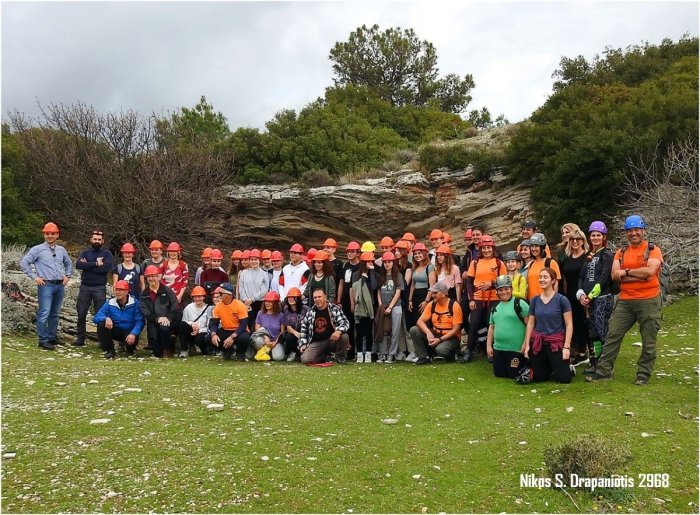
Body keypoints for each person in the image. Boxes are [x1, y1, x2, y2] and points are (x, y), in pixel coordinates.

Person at [586, 215, 663, 385]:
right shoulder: (621, 253)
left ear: (643, 231)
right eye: (630, 231)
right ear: (626, 233)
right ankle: (604, 371)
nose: (633, 233)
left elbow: (650, 272)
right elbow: (615, 275)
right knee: (613, 334)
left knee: (648, 339)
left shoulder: (653, 250)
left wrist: (626, 272)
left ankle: (643, 374)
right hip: (625, 300)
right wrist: (639, 274)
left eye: (637, 230)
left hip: (649, 300)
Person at [20, 222, 73, 350]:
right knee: (44, 313)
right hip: (46, 285)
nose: (50, 236)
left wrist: (68, 275)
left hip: (59, 285)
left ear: (57, 234)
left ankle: (52, 337)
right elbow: (24, 263)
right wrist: (35, 277)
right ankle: (43, 340)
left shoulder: (61, 250)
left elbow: (68, 263)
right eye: (47, 233)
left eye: (52, 233)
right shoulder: (37, 249)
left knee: (55, 313)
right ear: (44, 234)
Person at [519, 268, 574, 384]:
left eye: (545, 277)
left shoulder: (562, 300)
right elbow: (530, 323)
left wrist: (566, 347)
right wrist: (527, 345)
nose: (541, 280)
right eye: (540, 277)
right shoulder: (535, 300)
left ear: (553, 281)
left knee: (564, 379)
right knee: (539, 378)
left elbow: (569, 325)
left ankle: (567, 366)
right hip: (538, 342)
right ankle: (550, 366)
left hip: (555, 342)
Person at [576, 221, 615, 374]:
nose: (596, 238)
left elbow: (604, 278)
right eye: (593, 235)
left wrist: (590, 296)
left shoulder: (607, 254)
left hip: (602, 298)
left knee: (602, 331)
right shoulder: (589, 255)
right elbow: (581, 276)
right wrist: (580, 294)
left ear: (604, 237)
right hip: (588, 300)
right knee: (593, 333)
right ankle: (595, 362)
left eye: (599, 235)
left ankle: (606, 366)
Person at [463, 235, 506, 363]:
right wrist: (471, 300)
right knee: (474, 323)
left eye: (489, 248)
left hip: (494, 298)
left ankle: (492, 352)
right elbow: (469, 282)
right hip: (478, 297)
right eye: (484, 248)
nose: (486, 250)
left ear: (493, 248)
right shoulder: (475, 263)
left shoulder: (499, 263)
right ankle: (469, 351)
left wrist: (491, 283)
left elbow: (504, 281)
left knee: (491, 324)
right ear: (481, 249)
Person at [74, 229, 114, 346]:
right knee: (81, 313)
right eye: (95, 239)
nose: (97, 241)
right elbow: (78, 265)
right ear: (91, 240)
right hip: (85, 287)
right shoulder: (85, 253)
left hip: (99, 288)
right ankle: (80, 339)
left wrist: (87, 265)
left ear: (103, 241)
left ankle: (102, 340)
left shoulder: (107, 254)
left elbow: (105, 268)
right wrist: (96, 264)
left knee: (100, 315)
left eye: (99, 239)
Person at [487, 275, 530, 378]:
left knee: (513, 374)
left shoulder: (520, 304)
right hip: (499, 348)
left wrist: (526, 343)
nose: (504, 292)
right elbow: (491, 327)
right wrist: (488, 346)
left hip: (516, 349)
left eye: (506, 289)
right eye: (500, 290)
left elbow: (530, 325)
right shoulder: (495, 306)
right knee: (499, 374)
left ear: (511, 289)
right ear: (497, 292)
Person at [410, 281, 463, 364]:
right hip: (436, 334)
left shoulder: (454, 305)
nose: (432, 295)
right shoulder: (431, 304)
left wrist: (440, 339)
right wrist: (428, 333)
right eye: (432, 292)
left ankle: (453, 354)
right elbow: (420, 321)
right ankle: (424, 357)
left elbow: (456, 329)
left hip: (451, 337)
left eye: (435, 293)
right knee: (414, 330)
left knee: (441, 350)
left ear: (443, 294)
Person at [559, 226, 590, 365]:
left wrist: (587, 295)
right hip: (569, 295)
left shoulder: (587, 257)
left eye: (578, 239)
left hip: (583, 295)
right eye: (572, 239)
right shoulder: (567, 257)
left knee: (584, 324)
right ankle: (577, 352)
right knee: (573, 324)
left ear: (583, 241)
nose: (575, 242)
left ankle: (585, 353)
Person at [93, 280, 144, 359]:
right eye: (116, 290)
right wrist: (106, 318)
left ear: (127, 291)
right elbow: (96, 317)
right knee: (101, 324)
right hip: (115, 330)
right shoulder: (110, 303)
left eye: (121, 290)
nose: (118, 292)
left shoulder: (135, 303)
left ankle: (130, 349)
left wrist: (133, 333)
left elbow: (140, 321)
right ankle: (109, 350)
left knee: (130, 349)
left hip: (129, 332)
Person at [298, 288, 350, 365]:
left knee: (344, 336)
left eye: (319, 297)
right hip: (316, 342)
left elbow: (345, 322)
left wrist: (338, 331)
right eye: (315, 297)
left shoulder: (334, 308)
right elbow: (304, 329)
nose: (317, 299)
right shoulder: (310, 311)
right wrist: (303, 344)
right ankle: (326, 357)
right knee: (305, 360)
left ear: (325, 297)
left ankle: (340, 358)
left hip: (331, 340)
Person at [140, 264, 180, 358]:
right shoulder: (144, 294)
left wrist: (168, 318)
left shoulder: (167, 291)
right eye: (149, 277)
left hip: (168, 321)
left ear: (158, 276)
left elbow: (174, 306)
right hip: (153, 322)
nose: (151, 279)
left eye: (153, 276)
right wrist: (157, 319)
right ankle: (160, 347)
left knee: (164, 328)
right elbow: (145, 311)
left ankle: (167, 348)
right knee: (157, 352)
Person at [374, 251, 405, 363]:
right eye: (385, 262)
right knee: (383, 330)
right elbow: (378, 291)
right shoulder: (381, 276)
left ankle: (392, 354)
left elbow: (398, 293)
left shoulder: (398, 275)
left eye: (389, 262)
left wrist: (390, 307)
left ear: (393, 263)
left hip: (395, 306)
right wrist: (380, 304)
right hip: (383, 306)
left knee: (395, 331)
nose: (387, 264)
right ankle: (383, 353)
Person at [210, 282, 252, 361]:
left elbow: (243, 325)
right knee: (208, 338)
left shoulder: (239, 305)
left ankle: (240, 353)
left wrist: (232, 337)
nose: (219, 295)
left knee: (244, 338)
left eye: (221, 293)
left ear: (228, 295)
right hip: (225, 330)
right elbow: (214, 323)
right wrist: (213, 335)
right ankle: (227, 350)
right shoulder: (218, 306)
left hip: (239, 330)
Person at [350, 252, 377, 363]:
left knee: (369, 331)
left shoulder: (374, 274)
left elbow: (374, 286)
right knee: (359, 332)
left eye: (371, 261)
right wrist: (352, 304)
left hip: (370, 306)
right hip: (359, 305)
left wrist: (371, 273)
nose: (370, 263)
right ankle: (360, 354)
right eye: (368, 261)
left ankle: (368, 354)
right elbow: (353, 289)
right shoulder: (356, 274)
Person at [407, 242, 436, 339]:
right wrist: (410, 300)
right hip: (416, 296)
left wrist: (426, 301)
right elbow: (412, 284)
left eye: (419, 253)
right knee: (417, 321)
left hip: (425, 295)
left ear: (424, 253)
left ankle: (429, 342)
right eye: (415, 254)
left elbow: (432, 285)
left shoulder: (429, 267)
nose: (417, 255)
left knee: (425, 321)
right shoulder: (415, 267)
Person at [237, 249, 270, 330]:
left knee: (259, 323)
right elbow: (241, 288)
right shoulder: (244, 273)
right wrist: (245, 300)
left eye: (256, 259)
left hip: (259, 302)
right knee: (248, 323)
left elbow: (264, 289)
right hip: (247, 303)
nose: (254, 261)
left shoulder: (264, 274)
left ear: (259, 261)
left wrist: (253, 299)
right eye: (252, 259)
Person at [337, 241, 361, 354]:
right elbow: (341, 284)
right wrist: (339, 300)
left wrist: (354, 302)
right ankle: (349, 352)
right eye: (348, 251)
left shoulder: (360, 266)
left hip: (358, 300)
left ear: (358, 253)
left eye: (352, 251)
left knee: (359, 326)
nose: (350, 253)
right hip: (345, 300)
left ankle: (359, 351)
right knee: (348, 326)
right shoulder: (346, 266)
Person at [249, 291, 286, 361]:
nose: (267, 303)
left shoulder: (281, 315)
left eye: (270, 302)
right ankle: (262, 352)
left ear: (275, 303)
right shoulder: (260, 313)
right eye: (266, 301)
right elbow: (257, 329)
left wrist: (276, 342)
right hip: (263, 339)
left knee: (278, 357)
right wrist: (265, 337)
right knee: (258, 341)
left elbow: (282, 331)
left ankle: (268, 353)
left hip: (275, 341)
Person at [178, 285, 213, 357]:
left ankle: (204, 351)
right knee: (182, 325)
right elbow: (184, 321)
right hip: (191, 331)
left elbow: (209, 326)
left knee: (199, 339)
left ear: (203, 297)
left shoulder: (209, 308)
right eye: (195, 297)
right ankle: (184, 350)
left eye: (199, 297)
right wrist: (191, 323)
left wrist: (199, 330)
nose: (197, 299)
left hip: (202, 331)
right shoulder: (188, 308)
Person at [525, 233, 561, 301]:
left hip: (546, 302)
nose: (533, 249)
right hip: (532, 302)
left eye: (536, 246)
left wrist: (553, 301)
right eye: (532, 246)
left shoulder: (551, 263)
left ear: (542, 247)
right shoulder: (531, 264)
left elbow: (555, 285)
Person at [280, 287, 309, 362]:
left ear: (298, 298)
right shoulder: (286, 309)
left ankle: (301, 352)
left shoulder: (306, 309)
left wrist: (302, 334)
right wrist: (296, 333)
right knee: (289, 336)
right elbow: (288, 326)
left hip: (304, 332)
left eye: (293, 297)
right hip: (293, 333)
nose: (290, 299)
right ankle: (292, 352)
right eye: (289, 297)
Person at [160, 242, 189, 307]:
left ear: (178, 252)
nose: (172, 253)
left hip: (178, 296)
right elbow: (159, 280)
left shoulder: (183, 265)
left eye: (174, 251)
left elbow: (185, 282)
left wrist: (180, 295)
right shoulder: (163, 265)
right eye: (170, 251)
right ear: (168, 252)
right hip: (165, 295)